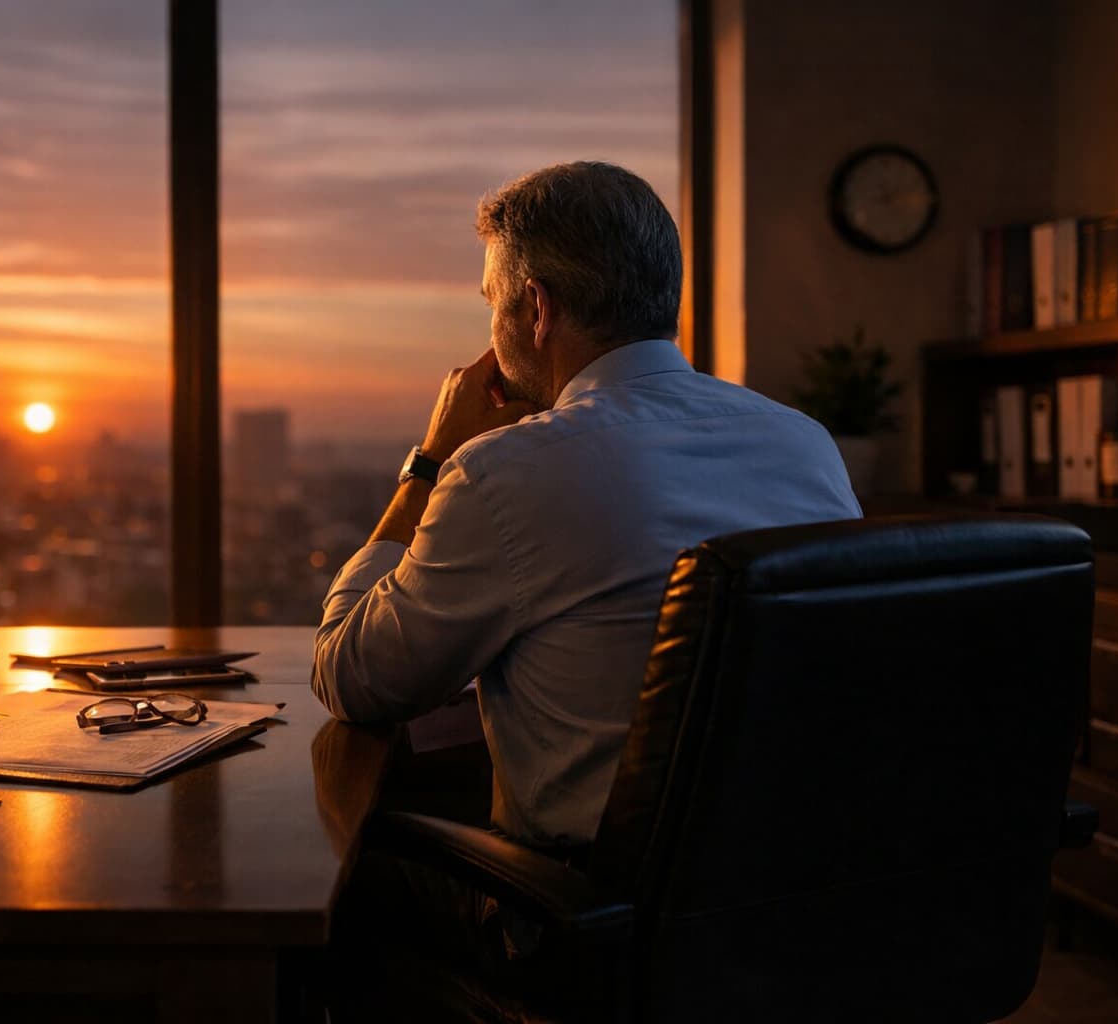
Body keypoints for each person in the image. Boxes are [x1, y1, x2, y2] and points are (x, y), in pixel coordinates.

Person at [312, 160, 862, 853]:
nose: (489, 335)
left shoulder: (505, 471)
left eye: (492, 304)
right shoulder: (802, 442)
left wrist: (429, 462)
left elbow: (352, 676)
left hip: (588, 919)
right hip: (790, 892)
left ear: (537, 310)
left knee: (349, 881)